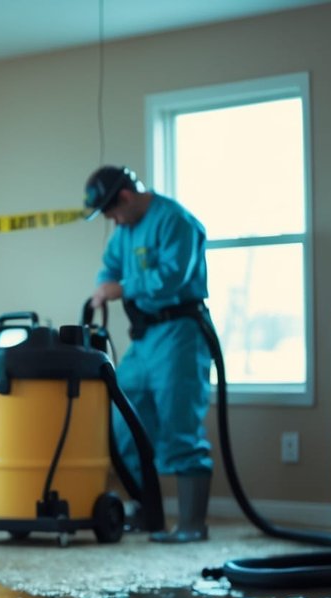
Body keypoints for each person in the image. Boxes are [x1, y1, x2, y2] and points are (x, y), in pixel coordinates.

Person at [83, 165, 212, 543]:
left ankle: (192, 524)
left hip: (180, 334)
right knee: (123, 420)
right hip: (144, 340)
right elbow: (107, 271)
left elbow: (171, 277)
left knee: (179, 424)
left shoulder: (175, 221)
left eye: (111, 212)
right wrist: (101, 288)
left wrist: (121, 288)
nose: (112, 221)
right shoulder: (124, 232)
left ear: (124, 197)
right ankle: (147, 509)